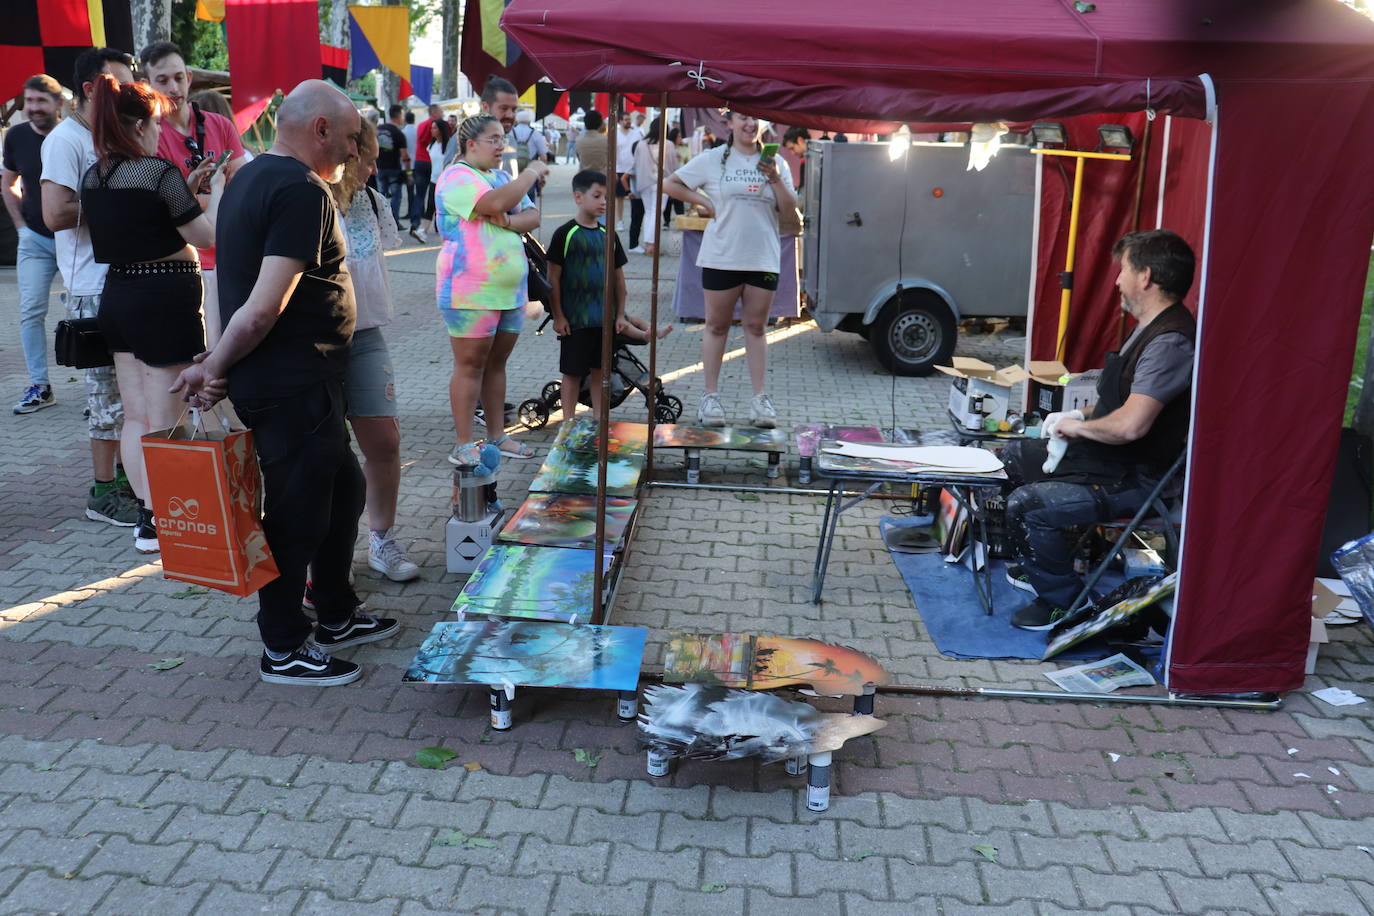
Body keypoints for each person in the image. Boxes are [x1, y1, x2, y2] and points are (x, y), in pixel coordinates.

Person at [172, 79, 396, 687]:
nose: (354, 153)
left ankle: (336, 610)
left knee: (343, 490)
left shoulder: (250, 177)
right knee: (298, 513)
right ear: (320, 129)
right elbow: (263, 305)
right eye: (350, 139)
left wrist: (216, 358)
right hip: (291, 381)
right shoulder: (302, 191)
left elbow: (231, 286)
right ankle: (284, 646)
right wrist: (215, 366)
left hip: (300, 379)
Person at [1001, 230, 1197, 631]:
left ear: (1145, 276)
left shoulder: (1169, 342)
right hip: (1115, 459)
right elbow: (1118, 405)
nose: (1116, 281)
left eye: (1123, 270)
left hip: (1141, 476)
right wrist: (1074, 421)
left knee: (1029, 504)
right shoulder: (1148, 326)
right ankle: (1039, 564)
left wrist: (1080, 426)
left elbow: (1130, 426)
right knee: (1012, 457)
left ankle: (1063, 603)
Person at [81, 74, 223, 553]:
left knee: (137, 415)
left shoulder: (95, 175)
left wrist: (185, 191)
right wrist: (211, 192)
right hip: (163, 297)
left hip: (119, 295)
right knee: (168, 415)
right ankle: (165, 519)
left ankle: (149, 515)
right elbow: (203, 237)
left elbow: (139, 222)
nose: (160, 132)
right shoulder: (155, 172)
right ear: (138, 125)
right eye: (156, 123)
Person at [40, 46, 141, 528]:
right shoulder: (66, 139)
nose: (130, 94)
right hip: (91, 287)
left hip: (123, 279)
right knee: (105, 396)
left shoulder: (111, 135)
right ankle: (102, 493)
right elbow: (55, 213)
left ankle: (124, 481)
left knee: (128, 394)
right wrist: (117, 206)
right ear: (89, 89)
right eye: (119, 85)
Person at [664, 108, 797, 428]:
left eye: (755, 119)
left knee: (756, 327)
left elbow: (790, 207)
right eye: (743, 118)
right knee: (717, 327)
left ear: (763, 124)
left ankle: (759, 400)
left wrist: (775, 179)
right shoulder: (713, 158)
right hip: (722, 256)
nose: (750, 124)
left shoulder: (775, 161)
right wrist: (706, 203)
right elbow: (671, 183)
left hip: (763, 257)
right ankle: (710, 398)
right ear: (730, 123)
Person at [329, 119, 420, 582]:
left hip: (365, 336)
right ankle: (323, 560)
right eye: (365, 156)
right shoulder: (311, 197)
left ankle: (381, 538)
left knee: (385, 442)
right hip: (315, 344)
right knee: (325, 454)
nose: (372, 165)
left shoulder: (371, 201)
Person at [434, 114, 548, 468]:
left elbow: (532, 217)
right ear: (471, 144)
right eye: (494, 139)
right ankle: (464, 442)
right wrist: (531, 173)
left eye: (503, 139)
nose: (502, 145)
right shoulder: (456, 176)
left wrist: (510, 221)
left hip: (510, 290)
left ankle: (497, 436)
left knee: (497, 364)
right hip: (470, 290)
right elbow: (493, 203)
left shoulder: (499, 177)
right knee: (471, 365)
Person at [140, 40, 246, 348]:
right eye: (162, 80)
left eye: (177, 77)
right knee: (204, 356)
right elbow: (171, 205)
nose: (173, 87)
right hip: (188, 265)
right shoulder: (151, 136)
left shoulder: (219, 124)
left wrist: (202, 197)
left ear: (188, 76)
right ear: (146, 85)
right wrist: (214, 193)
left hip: (231, 257)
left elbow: (240, 183)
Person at [546, 169, 672, 420]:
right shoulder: (565, 234)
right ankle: (568, 423)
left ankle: (599, 422)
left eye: (606, 196)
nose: (604, 201)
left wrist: (620, 314)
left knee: (600, 373)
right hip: (576, 321)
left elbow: (619, 279)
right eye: (597, 196)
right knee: (571, 374)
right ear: (578, 197)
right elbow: (553, 279)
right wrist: (559, 316)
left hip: (604, 321)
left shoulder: (609, 235)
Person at [2, 74, 63, 415]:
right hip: (35, 241)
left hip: (74, 239)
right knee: (30, 311)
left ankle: (99, 388)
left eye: (41, 101)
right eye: (29, 101)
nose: (33, 108)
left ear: (59, 104)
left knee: (86, 310)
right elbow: (7, 183)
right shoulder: (16, 136)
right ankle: (40, 386)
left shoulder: (74, 136)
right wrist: (22, 227)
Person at [628, 116, 678, 256]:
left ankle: (648, 243)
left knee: (649, 212)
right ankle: (651, 245)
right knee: (657, 212)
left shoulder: (641, 144)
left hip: (644, 183)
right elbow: (674, 166)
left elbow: (636, 164)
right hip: (663, 183)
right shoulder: (669, 144)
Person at [410, 103, 450, 243]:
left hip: (446, 181)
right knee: (431, 206)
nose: (432, 130)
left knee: (442, 208)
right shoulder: (432, 145)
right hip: (434, 179)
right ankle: (422, 231)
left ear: (441, 130)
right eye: (432, 128)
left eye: (434, 128)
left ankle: (429, 231)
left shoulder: (449, 145)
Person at [374, 104, 410, 225]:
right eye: (402, 115)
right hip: (394, 168)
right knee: (396, 196)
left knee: (381, 196)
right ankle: (394, 222)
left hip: (379, 167)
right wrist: (409, 173)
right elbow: (405, 156)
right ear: (398, 115)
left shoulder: (378, 130)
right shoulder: (398, 133)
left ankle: (381, 222)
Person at [614, 110, 643, 231]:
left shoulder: (636, 133)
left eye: (629, 119)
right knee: (619, 197)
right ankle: (620, 221)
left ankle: (634, 222)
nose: (628, 121)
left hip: (634, 170)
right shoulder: (615, 134)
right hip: (620, 169)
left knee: (634, 197)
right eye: (626, 119)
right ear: (620, 121)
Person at [507, 108, 548, 175]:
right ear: (530, 120)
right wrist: (541, 173)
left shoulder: (510, 132)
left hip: (512, 168)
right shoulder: (536, 133)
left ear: (517, 119)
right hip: (530, 170)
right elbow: (543, 157)